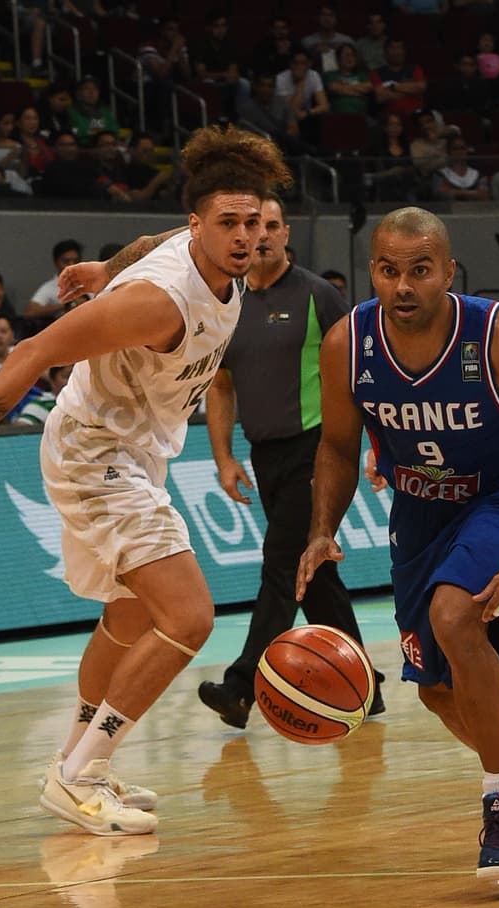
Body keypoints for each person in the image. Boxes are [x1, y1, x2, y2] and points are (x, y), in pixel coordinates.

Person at [0, 126, 292, 838]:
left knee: (126, 620)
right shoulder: (158, 303)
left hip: (135, 452)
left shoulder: (208, 252)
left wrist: (101, 264)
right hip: (98, 457)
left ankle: (78, 758)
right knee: (188, 618)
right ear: (200, 226)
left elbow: (155, 240)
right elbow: (33, 350)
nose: (247, 238)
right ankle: (78, 776)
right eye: (231, 224)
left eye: (257, 224)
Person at [295, 207, 499, 880]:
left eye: (420, 271)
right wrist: (322, 529)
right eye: (388, 270)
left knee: (454, 613)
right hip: (420, 508)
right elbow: (339, 446)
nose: (403, 286)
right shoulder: (350, 343)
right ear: (370, 270)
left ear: (448, 272)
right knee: (436, 690)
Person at [193, 196, 385, 729]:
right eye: (253, 227)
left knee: (281, 566)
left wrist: (375, 443)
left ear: (285, 233)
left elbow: (361, 372)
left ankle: (241, 686)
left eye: (271, 226)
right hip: (264, 455)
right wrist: (224, 456)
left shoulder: (318, 295)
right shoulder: (227, 300)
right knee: (315, 577)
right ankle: (365, 685)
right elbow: (221, 385)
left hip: (318, 451)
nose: (262, 236)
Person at [23, 238, 84, 330]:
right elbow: (30, 312)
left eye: (75, 261)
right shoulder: (49, 288)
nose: (71, 265)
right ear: (56, 262)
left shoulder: (90, 282)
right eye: (66, 261)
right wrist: (66, 305)